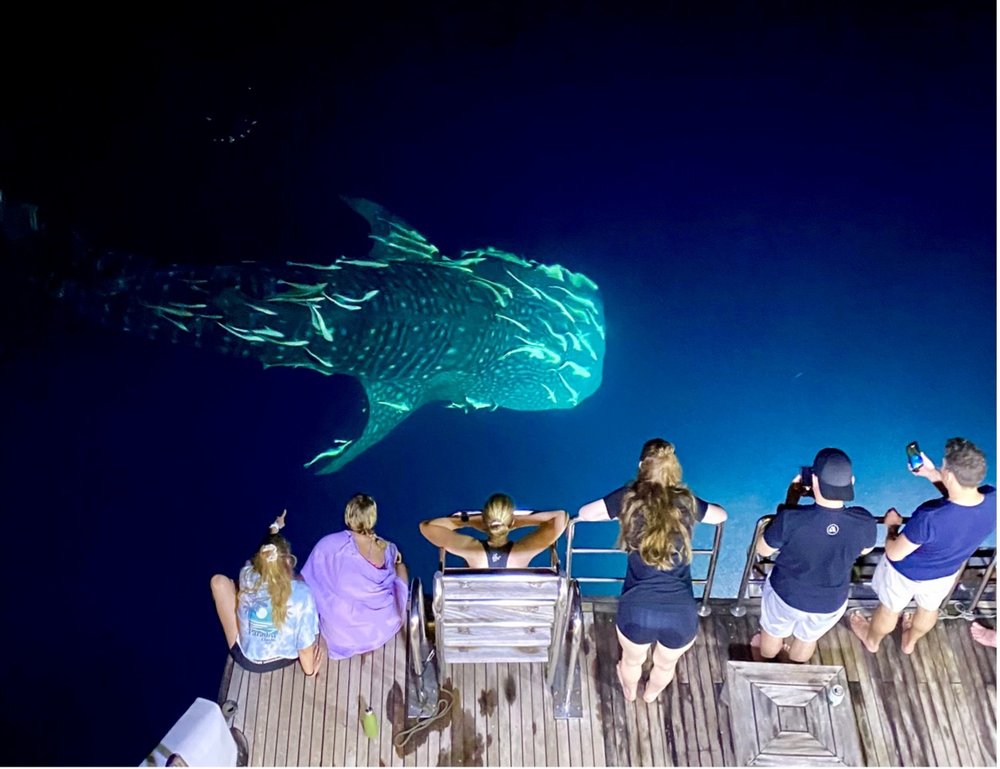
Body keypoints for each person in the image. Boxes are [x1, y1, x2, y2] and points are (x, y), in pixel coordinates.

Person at [577, 438, 727, 703]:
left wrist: (619, 511)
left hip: (638, 610)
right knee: (665, 666)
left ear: (640, 466)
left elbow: (585, 513)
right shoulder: (686, 502)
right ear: (675, 470)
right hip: (680, 614)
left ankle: (629, 692)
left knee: (631, 661)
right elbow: (720, 516)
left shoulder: (629, 499)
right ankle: (651, 694)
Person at [850, 437, 996, 655]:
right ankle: (910, 641)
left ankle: (872, 639)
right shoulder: (994, 499)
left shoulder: (930, 517)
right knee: (929, 608)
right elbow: (962, 501)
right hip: (945, 573)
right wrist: (931, 474)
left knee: (890, 608)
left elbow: (895, 553)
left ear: (950, 475)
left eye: (944, 466)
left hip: (905, 573)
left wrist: (892, 527)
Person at [753, 448, 877, 663]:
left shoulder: (791, 519)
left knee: (773, 631)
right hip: (830, 602)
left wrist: (791, 500)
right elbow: (864, 550)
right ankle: (795, 665)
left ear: (814, 481)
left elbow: (762, 550)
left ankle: (767, 662)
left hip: (787, 594)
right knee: (808, 638)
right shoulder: (864, 522)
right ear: (852, 481)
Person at [210, 511, 325, 675]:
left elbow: (260, 556)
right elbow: (305, 649)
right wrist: (310, 671)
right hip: (283, 658)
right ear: (287, 561)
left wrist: (274, 529)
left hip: (245, 658)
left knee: (219, 582)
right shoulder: (302, 595)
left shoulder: (247, 575)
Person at [301, 494, 409, 659]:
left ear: (348, 516)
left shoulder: (329, 544)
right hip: (380, 626)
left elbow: (306, 578)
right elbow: (396, 571)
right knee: (401, 567)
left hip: (341, 633)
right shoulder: (388, 549)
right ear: (373, 518)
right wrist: (399, 563)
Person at [419, 493, 568, 568]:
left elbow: (426, 526)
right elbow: (561, 517)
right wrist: (519, 522)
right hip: (515, 623)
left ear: (485, 520)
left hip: (475, 623)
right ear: (510, 521)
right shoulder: (523, 551)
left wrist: (469, 521)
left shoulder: (470, 549)